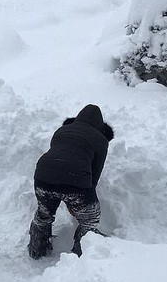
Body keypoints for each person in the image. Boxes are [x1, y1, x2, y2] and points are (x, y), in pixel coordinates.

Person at [27, 104, 114, 258]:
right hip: (76, 181)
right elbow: (94, 177)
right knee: (90, 220)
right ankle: (82, 258)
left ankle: (37, 249)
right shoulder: (101, 140)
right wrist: (79, 203)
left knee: (44, 214)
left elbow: (59, 160)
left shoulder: (61, 131)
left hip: (43, 177)